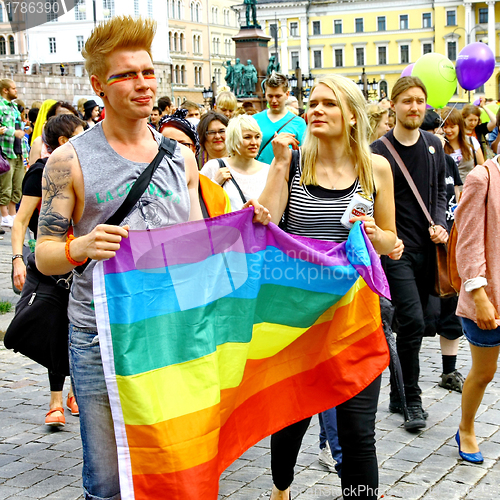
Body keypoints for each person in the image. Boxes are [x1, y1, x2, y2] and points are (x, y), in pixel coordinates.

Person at [34, 17, 270, 500]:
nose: (143, 83)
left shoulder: (177, 157)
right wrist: (79, 247)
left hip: (170, 327)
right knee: (106, 477)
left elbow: (189, 243)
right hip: (99, 334)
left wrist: (243, 226)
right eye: (127, 75)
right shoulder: (69, 161)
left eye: (148, 72)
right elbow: (44, 257)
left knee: (174, 460)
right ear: (99, 84)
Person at [259, 75, 397, 500]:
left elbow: (393, 242)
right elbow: (263, 221)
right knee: (291, 419)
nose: (315, 109)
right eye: (312, 103)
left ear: (352, 116)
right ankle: (281, 487)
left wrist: (375, 235)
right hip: (298, 317)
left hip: (356, 317)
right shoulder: (296, 164)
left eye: (327, 104)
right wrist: (280, 164)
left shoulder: (375, 168)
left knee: (358, 432)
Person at [371, 76, 448, 432]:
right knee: (413, 321)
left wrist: (438, 222)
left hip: (426, 250)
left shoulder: (434, 145)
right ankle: (413, 400)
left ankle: (398, 392)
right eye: (407, 101)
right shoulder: (378, 151)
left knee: (416, 324)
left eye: (420, 101)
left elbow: (439, 194)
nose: (414, 107)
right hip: (394, 250)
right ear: (393, 105)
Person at [12, 114, 85, 426]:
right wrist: (17, 258)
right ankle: (56, 400)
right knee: (55, 326)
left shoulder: (86, 170)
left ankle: (74, 393)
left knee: (77, 327)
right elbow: (20, 219)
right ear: (64, 141)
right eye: (81, 135)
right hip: (50, 262)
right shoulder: (40, 173)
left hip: (82, 262)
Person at [454, 151, 500, 465]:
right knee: (484, 372)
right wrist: (479, 295)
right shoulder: (482, 177)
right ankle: (466, 428)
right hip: (488, 295)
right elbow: (468, 240)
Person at [421, 109, 465, 393]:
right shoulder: (414, 162)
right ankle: (405, 380)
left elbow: (458, 198)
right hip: (419, 247)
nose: (441, 135)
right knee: (415, 318)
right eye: (435, 131)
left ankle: (449, 371)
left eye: (441, 130)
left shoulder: (448, 161)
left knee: (452, 312)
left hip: (449, 247)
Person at [159, 108, 231, 217]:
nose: (175, 151)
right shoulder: (146, 188)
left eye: (183, 145)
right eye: (167, 144)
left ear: (194, 149)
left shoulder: (217, 193)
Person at [201, 114, 269, 211]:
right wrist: (215, 184)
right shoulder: (214, 167)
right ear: (234, 139)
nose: (254, 142)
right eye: (247, 137)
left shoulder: (269, 171)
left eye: (257, 137)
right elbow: (199, 205)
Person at [254, 72, 306, 165]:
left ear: (287, 94)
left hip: (287, 176)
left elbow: (304, 154)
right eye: (270, 96)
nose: (274, 100)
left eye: (278, 96)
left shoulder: (299, 123)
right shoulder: (254, 120)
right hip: (259, 176)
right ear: (265, 94)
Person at [0, 78, 29, 229]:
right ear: (5, 90)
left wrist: (25, 153)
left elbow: (20, 130)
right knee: (6, 186)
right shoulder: (0, 106)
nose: (16, 91)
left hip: (18, 151)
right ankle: (4, 216)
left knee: (17, 185)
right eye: (14, 88)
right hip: (6, 151)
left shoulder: (15, 107)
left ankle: (12, 214)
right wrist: (13, 132)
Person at [440, 106, 484, 182]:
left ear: (459, 126)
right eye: (445, 127)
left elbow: (482, 168)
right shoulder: (438, 143)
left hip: (469, 190)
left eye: (452, 127)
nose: (448, 130)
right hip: (446, 192)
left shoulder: (471, 141)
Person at [29, 101, 79, 166]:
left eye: (72, 118)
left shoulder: (77, 139)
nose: (69, 122)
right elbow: (34, 169)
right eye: (63, 118)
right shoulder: (40, 142)